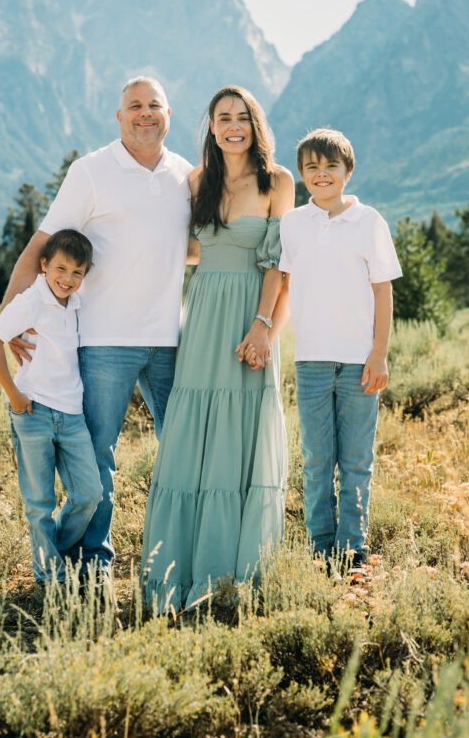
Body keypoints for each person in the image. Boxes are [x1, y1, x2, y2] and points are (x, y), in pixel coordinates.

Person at [1, 78, 192, 577]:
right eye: (135, 106)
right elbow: (42, 246)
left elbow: (189, 247)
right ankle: (91, 559)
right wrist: (11, 319)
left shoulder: (185, 175)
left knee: (185, 446)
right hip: (105, 341)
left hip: (171, 339)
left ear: (169, 113)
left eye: (154, 105)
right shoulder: (90, 171)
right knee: (99, 458)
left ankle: (179, 551)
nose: (145, 113)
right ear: (119, 116)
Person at [141, 85, 294, 610]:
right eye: (223, 117)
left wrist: (263, 329)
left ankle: (236, 577)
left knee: (243, 434)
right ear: (210, 126)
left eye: (242, 117)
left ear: (256, 125)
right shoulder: (197, 180)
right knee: (193, 435)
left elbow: (279, 263)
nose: (233, 126)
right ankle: (179, 574)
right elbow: (183, 247)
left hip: (249, 318)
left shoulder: (278, 181)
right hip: (203, 315)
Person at [278, 127, 402, 578]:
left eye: (331, 166)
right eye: (312, 167)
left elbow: (383, 292)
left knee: (355, 461)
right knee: (315, 460)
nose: (321, 174)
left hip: (359, 362)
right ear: (302, 175)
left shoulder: (369, 222)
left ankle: (353, 550)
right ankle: (320, 547)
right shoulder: (292, 223)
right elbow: (284, 287)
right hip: (309, 361)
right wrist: (267, 335)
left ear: (348, 171)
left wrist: (380, 352)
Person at [0, 228, 102, 585]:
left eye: (77, 272)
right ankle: (50, 578)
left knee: (89, 493)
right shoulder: (32, 300)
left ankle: (51, 550)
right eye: (61, 269)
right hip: (32, 412)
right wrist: (15, 395)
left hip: (72, 414)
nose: (68, 279)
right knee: (40, 503)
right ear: (44, 265)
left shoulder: (76, 305)